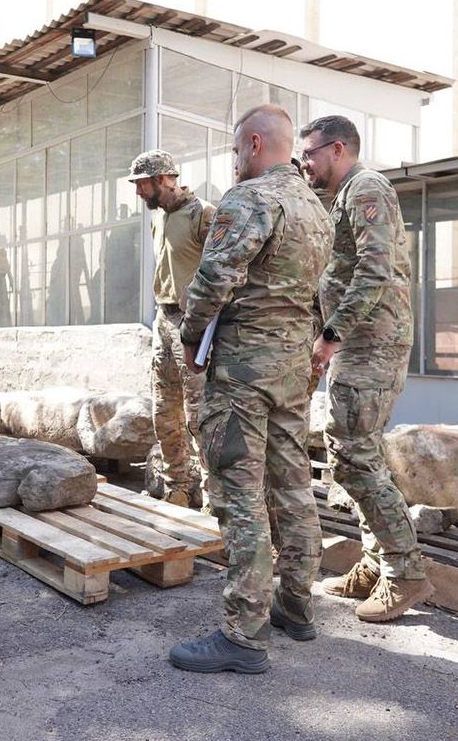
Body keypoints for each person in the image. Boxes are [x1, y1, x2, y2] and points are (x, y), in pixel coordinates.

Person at [168, 105, 333, 674]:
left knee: (240, 492)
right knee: (293, 486)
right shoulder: (317, 208)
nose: (234, 161)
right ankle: (297, 606)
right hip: (292, 372)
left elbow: (215, 278)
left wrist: (190, 338)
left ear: (255, 144)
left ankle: (243, 633)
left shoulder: (249, 199)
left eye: (236, 150)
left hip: (243, 372)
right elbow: (318, 296)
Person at [299, 114, 433, 622]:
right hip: (358, 343)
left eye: (310, 152)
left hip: (371, 343)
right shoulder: (342, 197)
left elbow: (375, 271)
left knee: (353, 457)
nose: (305, 162)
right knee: (357, 456)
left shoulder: (365, 188)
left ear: (337, 149)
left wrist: (332, 335)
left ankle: (405, 572)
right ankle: (376, 563)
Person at [127, 149, 217, 508]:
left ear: (164, 179)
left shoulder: (204, 215)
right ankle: (177, 487)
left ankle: (214, 499)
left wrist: (203, 327)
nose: (138, 192)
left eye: (142, 184)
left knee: (199, 415)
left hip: (192, 324)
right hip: (162, 321)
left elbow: (220, 274)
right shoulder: (158, 218)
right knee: (164, 411)